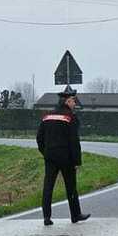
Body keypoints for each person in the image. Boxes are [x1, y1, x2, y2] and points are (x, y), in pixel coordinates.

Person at [36, 87, 89, 225]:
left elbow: (39, 138)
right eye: (72, 101)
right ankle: (75, 215)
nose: (74, 104)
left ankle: (46, 217)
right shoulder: (70, 118)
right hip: (66, 158)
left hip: (50, 157)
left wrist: (45, 152)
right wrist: (77, 161)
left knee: (48, 187)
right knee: (71, 187)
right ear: (66, 101)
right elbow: (74, 141)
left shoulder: (47, 116)